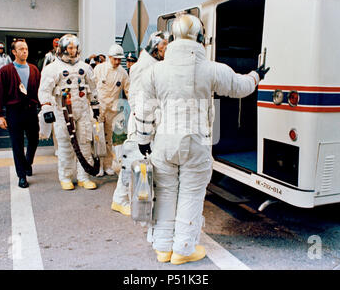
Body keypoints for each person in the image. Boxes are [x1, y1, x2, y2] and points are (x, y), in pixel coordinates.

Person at [135, 14, 270, 264]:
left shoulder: (156, 71)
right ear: (200, 38)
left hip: (164, 141)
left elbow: (143, 108)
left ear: (173, 37)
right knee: (191, 195)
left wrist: (143, 138)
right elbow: (240, 87)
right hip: (196, 142)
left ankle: (163, 249)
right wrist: (256, 75)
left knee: (164, 193)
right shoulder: (211, 69)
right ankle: (183, 250)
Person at [111, 31, 168, 216]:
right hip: (141, 121)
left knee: (146, 162)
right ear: (155, 47)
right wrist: (142, 120)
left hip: (150, 120)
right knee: (131, 162)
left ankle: (139, 197)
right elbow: (136, 97)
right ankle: (119, 199)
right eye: (163, 46)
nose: (166, 50)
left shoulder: (156, 65)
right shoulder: (143, 67)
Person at [38, 34, 98, 191]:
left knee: (85, 144)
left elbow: (92, 88)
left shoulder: (85, 68)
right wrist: (46, 107)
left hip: (82, 111)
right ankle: (65, 177)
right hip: (62, 111)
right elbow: (44, 90)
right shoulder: (53, 68)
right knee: (65, 146)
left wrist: (96, 107)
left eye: (75, 47)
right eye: (70, 48)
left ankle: (84, 176)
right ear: (63, 49)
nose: (73, 51)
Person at [0, 39, 41, 189]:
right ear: (14, 52)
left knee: (34, 139)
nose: (24, 51)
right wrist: (0, 115)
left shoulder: (34, 69)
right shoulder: (6, 71)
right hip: (15, 111)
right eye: (21, 49)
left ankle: (28, 162)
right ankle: (22, 175)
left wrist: (45, 107)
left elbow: (40, 91)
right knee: (17, 144)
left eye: (26, 48)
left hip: (31, 110)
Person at [93, 44, 130, 177]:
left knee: (108, 138)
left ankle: (108, 165)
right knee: (98, 137)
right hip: (98, 108)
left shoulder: (123, 73)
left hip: (111, 110)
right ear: (109, 57)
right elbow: (91, 87)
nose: (117, 62)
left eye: (119, 59)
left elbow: (128, 91)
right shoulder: (99, 69)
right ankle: (98, 165)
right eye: (115, 59)